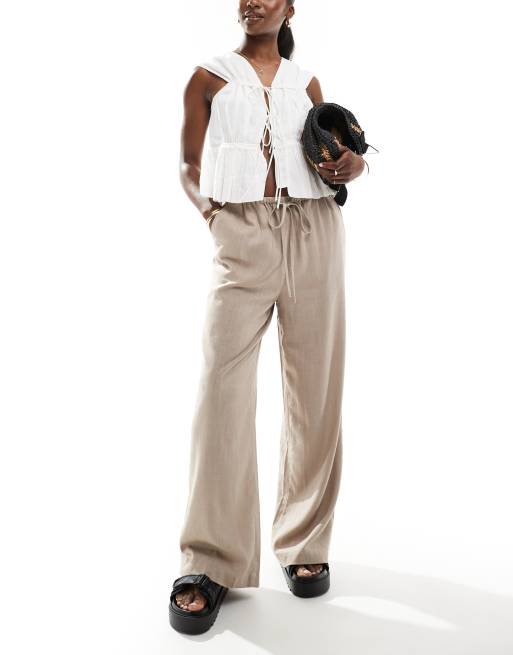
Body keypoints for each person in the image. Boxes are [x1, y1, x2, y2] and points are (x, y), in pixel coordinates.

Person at [170, 0, 367, 634]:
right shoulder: (209, 75)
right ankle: (210, 559)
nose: (251, 1)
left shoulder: (305, 82)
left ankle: (304, 540)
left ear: (289, 7)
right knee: (220, 389)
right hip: (243, 230)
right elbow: (188, 165)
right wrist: (213, 215)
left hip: (314, 229)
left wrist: (353, 165)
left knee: (315, 390)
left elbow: (332, 153)